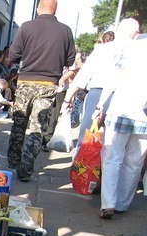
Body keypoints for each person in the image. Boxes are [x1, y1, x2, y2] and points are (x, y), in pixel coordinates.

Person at [6, 0, 75, 181]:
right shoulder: (65, 31)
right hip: (48, 85)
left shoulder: (27, 27)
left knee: (19, 122)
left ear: (38, 8)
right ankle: (26, 169)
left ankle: (13, 162)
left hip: (26, 81)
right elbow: (70, 60)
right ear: (55, 10)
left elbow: (13, 56)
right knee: (37, 127)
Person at [64, 19, 140, 156]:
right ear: (135, 34)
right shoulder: (138, 52)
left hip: (97, 93)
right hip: (124, 98)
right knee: (115, 146)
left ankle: (80, 171)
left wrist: (67, 99)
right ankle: (103, 173)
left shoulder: (102, 50)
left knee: (86, 136)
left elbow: (83, 76)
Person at [93, 30, 147, 219]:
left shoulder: (128, 50)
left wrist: (100, 105)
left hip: (121, 110)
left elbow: (112, 81)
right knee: (134, 162)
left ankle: (108, 203)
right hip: (144, 116)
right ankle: (122, 204)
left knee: (112, 158)